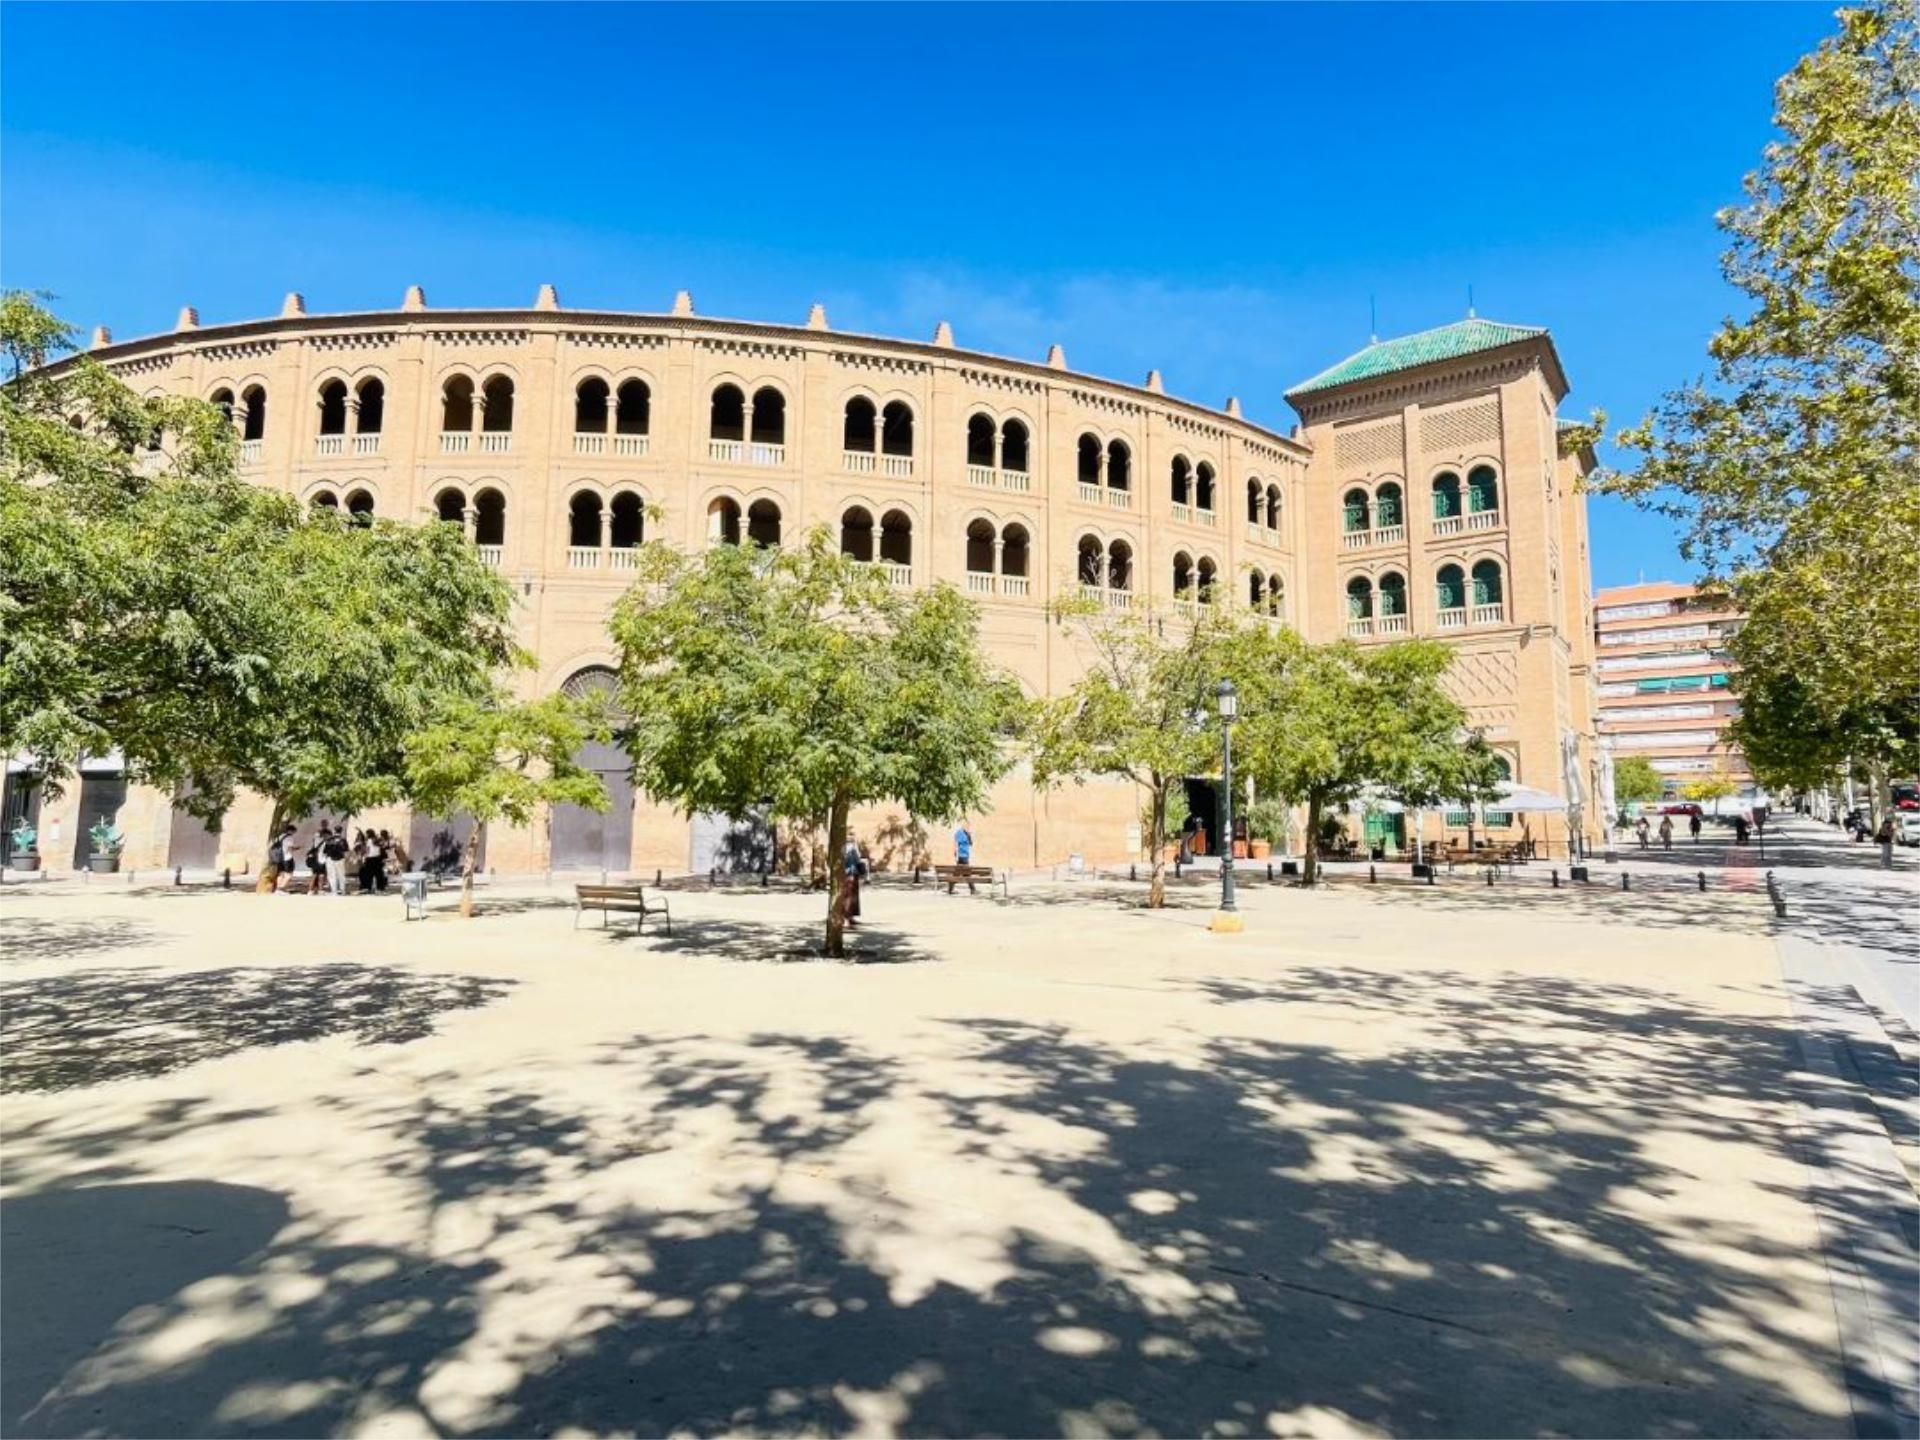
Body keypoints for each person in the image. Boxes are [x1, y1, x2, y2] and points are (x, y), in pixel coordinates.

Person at [323, 824, 350, 896]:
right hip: (340, 859)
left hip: (330, 859)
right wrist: (345, 859)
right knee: (341, 875)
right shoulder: (343, 840)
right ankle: (343, 890)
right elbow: (346, 851)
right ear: (341, 831)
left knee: (332, 875)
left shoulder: (329, 839)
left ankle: (334, 891)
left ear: (334, 831)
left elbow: (325, 851)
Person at [307, 824, 330, 897]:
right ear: (324, 835)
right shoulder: (325, 842)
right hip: (321, 860)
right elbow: (326, 852)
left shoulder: (316, 840)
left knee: (314, 875)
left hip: (315, 860)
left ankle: (310, 891)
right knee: (321, 876)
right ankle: (320, 890)